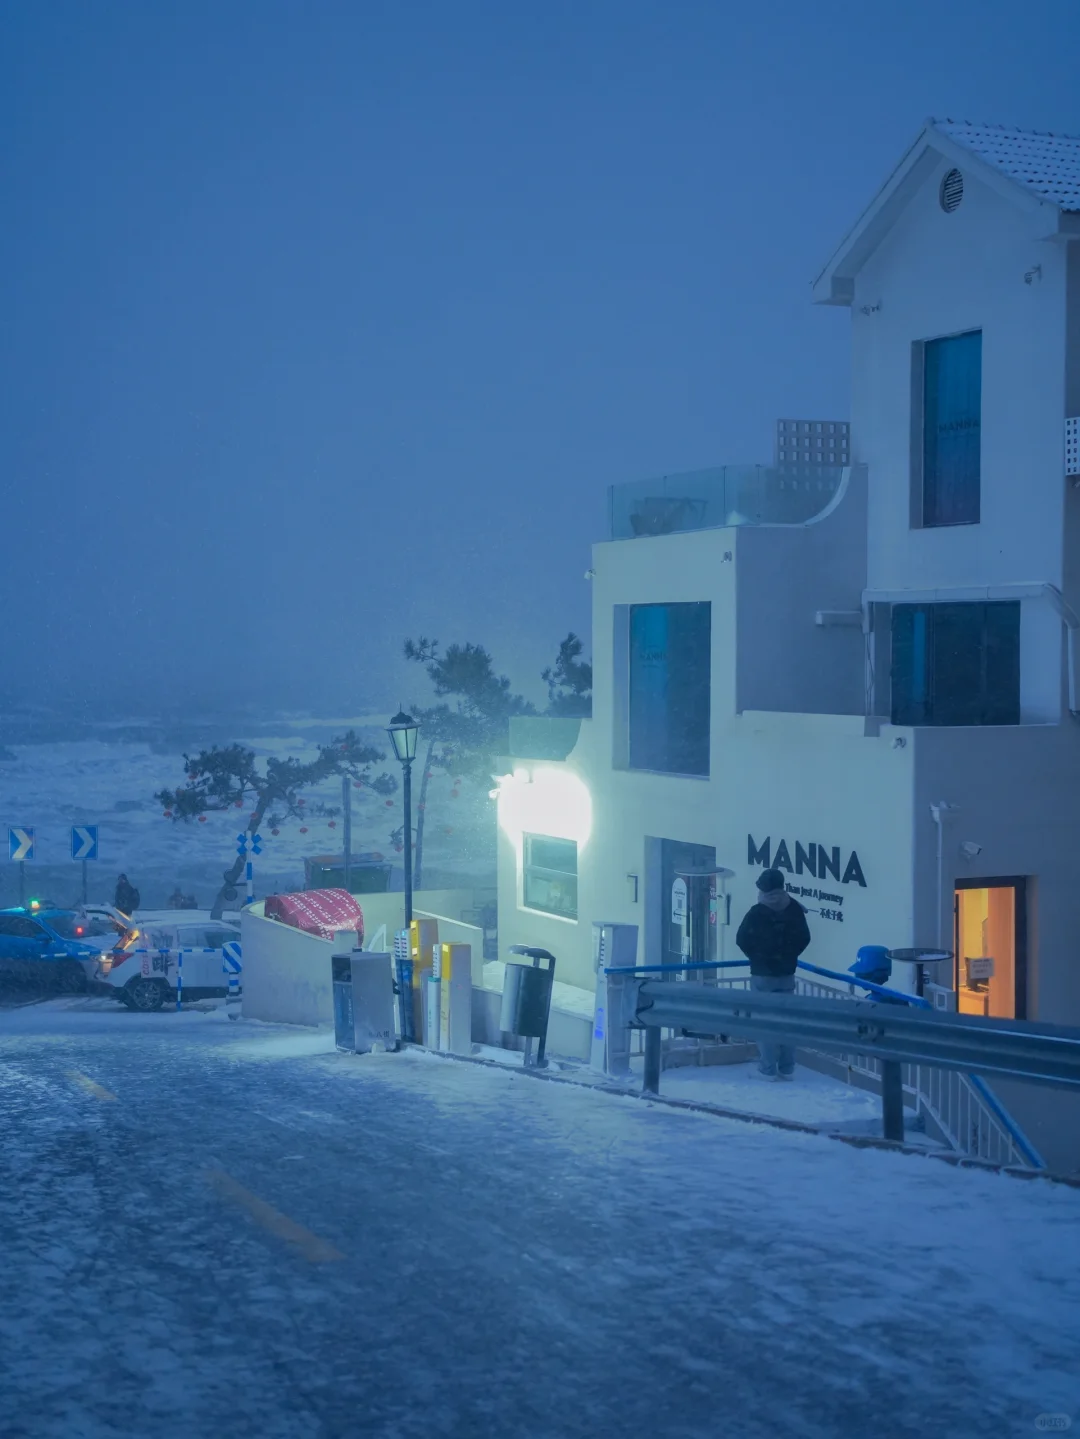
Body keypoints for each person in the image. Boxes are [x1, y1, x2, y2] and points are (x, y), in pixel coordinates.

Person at [735, 868, 811, 1079]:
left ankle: (767, 1068)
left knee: (763, 1020)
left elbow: (742, 939)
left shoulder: (757, 912)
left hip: (762, 974)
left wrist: (758, 957)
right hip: (786, 973)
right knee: (787, 1020)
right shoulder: (794, 908)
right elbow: (804, 937)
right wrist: (788, 957)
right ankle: (787, 1067)